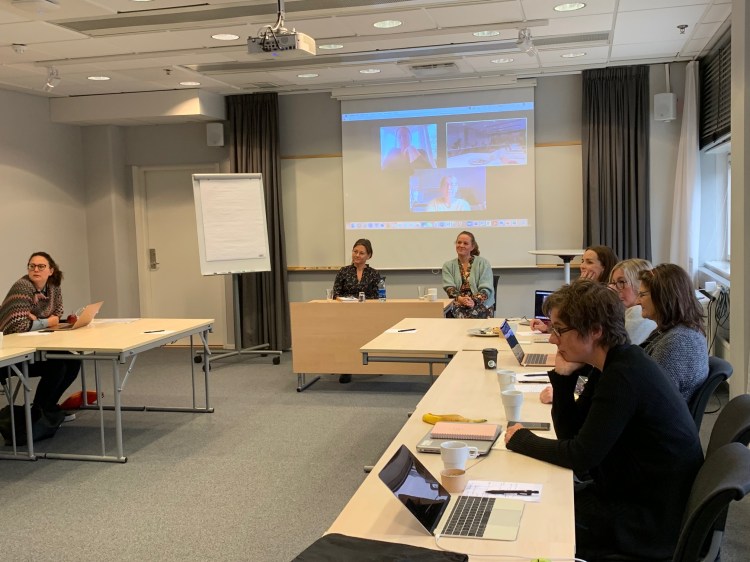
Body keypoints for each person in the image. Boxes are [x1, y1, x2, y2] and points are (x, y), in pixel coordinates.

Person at [505, 279, 703, 560]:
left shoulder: (623, 376)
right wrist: (564, 378)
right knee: (542, 500)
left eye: (560, 330)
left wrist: (521, 439)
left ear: (595, 331)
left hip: (646, 522)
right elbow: (570, 435)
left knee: (534, 520)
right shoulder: (613, 363)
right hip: (633, 496)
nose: (552, 339)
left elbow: (580, 457)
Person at [0, 251, 81, 417]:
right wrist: (46, 321)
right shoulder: (23, 287)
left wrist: (36, 319)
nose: (35, 270)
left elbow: (58, 312)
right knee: (57, 365)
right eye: (32, 266)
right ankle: (39, 413)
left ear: (51, 270)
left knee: (73, 360)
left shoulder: (53, 286)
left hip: (32, 344)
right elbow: (20, 326)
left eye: (41, 266)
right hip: (10, 352)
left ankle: (48, 407)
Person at [637, 263, 709, 402]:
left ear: (662, 297)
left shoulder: (677, 343)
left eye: (642, 295)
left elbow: (651, 398)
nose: (637, 301)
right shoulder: (678, 332)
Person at [530, 245, 618, 332]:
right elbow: (568, 320)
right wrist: (548, 328)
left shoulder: (610, 294)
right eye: (582, 261)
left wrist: (582, 288)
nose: (582, 266)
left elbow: (582, 323)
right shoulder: (585, 289)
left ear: (604, 267)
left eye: (589, 262)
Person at [331, 240, 380, 384]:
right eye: (355, 251)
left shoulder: (374, 273)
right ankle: (346, 369)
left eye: (361, 253)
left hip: (368, 314)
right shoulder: (343, 271)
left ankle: (371, 364)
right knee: (345, 339)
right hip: (346, 314)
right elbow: (336, 294)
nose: (357, 255)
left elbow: (378, 296)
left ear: (369, 256)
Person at [441, 231, 495, 319]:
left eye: (465, 243)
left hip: (480, 303)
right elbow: (449, 288)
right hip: (458, 302)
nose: (461, 245)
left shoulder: (483, 263)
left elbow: (486, 289)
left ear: (472, 247)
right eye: (459, 242)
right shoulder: (448, 266)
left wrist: (473, 301)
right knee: (452, 312)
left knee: (473, 314)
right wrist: (460, 299)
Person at [608, 258, 657, 345]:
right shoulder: (624, 312)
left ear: (640, 284)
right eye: (613, 283)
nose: (613, 288)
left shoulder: (637, 312)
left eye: (621, 282)